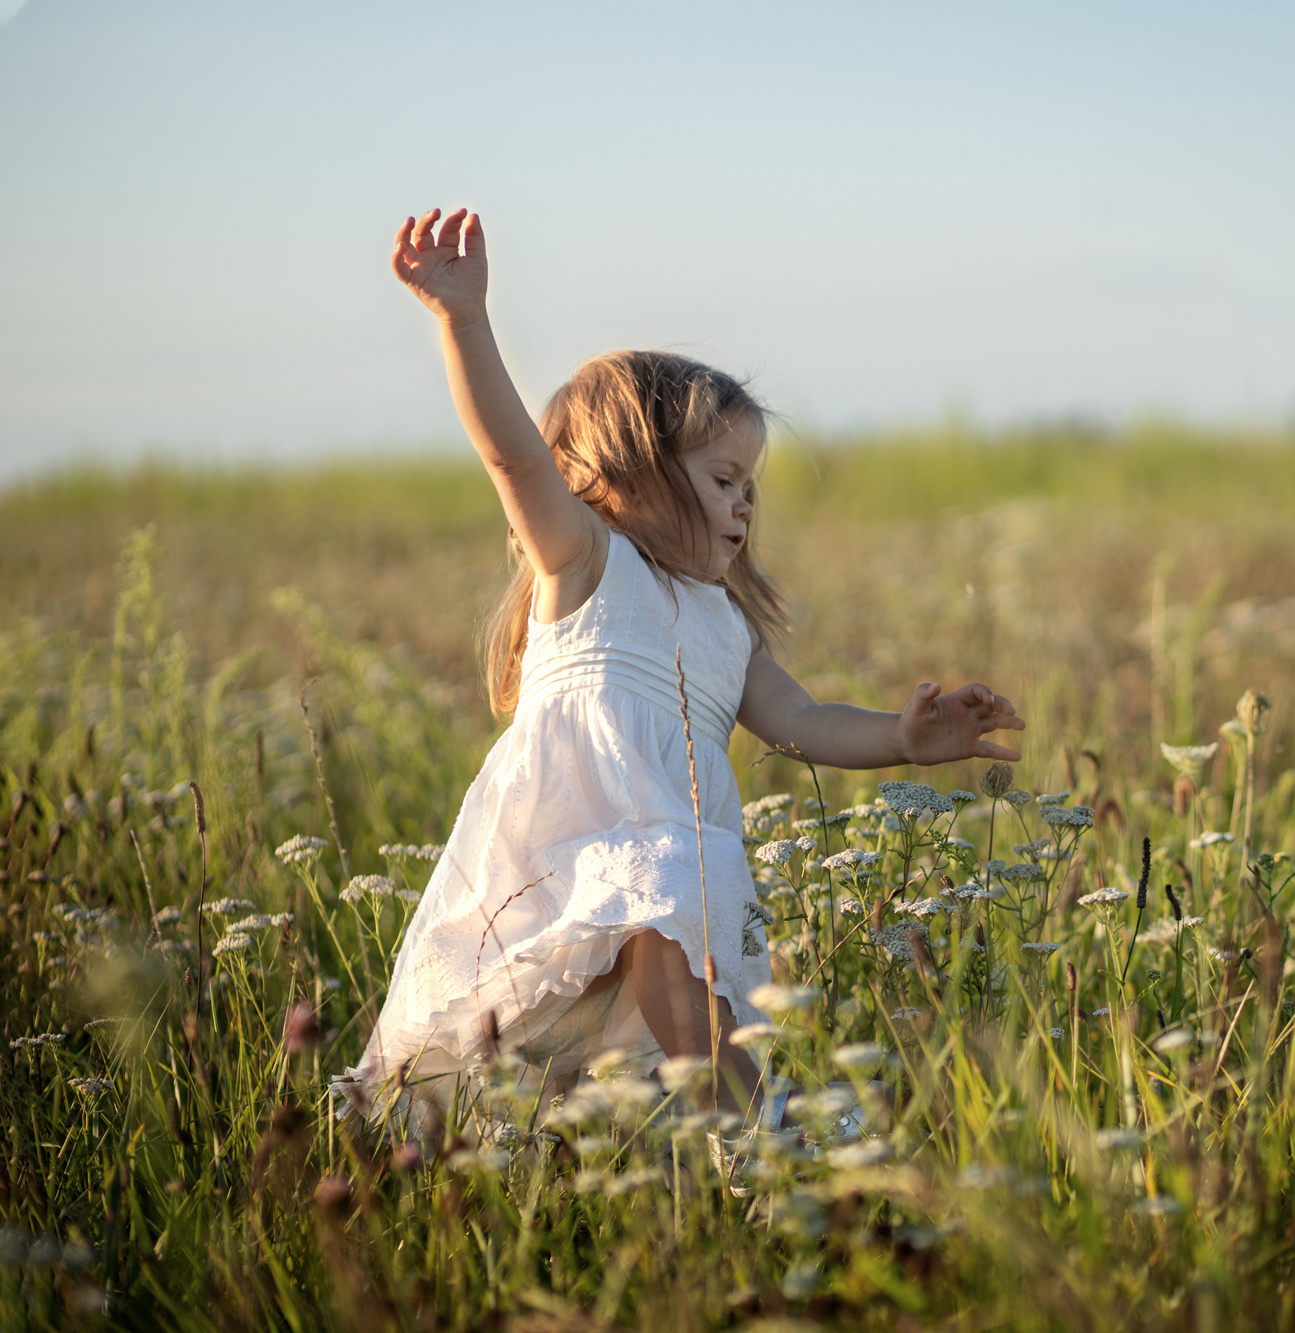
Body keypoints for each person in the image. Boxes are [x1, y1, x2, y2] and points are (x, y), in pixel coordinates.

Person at [335, 208, 1024, 1133]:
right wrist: (463, 321)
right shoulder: (586, 564)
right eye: (722, 478)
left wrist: (902, 738)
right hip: (564, 851)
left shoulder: (724, 625)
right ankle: (748, 1129)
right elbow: (512, 455)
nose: (745, 507)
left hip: (668, 866)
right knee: (614, 950)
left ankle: (731, 1125)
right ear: (636, 471)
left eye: (752, 488)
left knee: (671, 954)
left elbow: (801, 718)